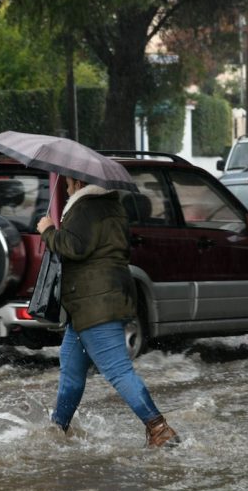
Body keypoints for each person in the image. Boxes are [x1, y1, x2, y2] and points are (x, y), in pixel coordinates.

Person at [37, 175, 179, 448]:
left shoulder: (86, 207)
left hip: (94, 303)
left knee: (117, 370)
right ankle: (57, 432)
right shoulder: (111, 205)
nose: (66, 189)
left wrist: (47, 231)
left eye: (68, 184)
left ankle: (159, 429)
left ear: (79, 183)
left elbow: (73, 247)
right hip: (94, 302)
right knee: (71, 374)